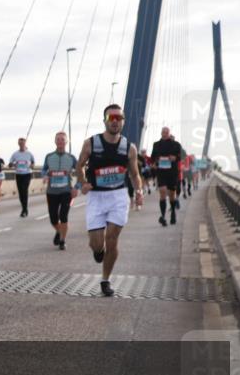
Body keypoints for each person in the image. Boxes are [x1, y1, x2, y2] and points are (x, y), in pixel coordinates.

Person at [76, 104, 143, 296]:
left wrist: (139, 191)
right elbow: (79, 166)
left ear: (123, 121)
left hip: (118, 197)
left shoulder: (129, 147)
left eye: (118, 118)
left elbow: (134, 174)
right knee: (97, 245)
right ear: (105, 120)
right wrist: (83, 182)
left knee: (112, 239)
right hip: (96, 197)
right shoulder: (91, 143)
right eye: (111, 118)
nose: (115, 122)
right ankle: (99, 251)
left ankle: (105, 279)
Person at [41, 131, 77, 250]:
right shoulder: (49, 156)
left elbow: (81, 172)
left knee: (63, 215)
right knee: (53, 218)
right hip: (52, 192)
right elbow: (44, 169)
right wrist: (45, 175)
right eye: (58, 139)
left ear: (66, 142)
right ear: (55, 141)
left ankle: (62, 240)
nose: (60, 141)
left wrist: (77, 187)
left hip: (66, 191)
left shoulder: (71, 158)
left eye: (62, 139)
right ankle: (59, 231)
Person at [150, 126, 183, 226]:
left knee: (172, 195)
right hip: (161, 172)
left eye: (166, 132)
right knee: (163, 192)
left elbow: (180, 157)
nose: (164, 133)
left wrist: (175, 158)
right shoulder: (156, 145)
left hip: (172, 172)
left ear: (169, 133)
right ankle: (163, 216)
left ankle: (173, 212)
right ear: (161, 133)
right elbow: (153, 157)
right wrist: (155, 162)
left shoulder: (176, 145)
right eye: (163, 132)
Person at [9, 137, 35, 217]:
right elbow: (9, 165)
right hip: (18, 174)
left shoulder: (29, 154)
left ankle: (24, 209)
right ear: (18, 144)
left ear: (25, 144)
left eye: (23, 143)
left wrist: (30, 165)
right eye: (20, 143)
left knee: (24, 190)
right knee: (20, 193)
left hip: (27, 174)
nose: (21, 145)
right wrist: (14, 164)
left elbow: (33, 165)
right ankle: (24, 208)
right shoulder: (15, 154)